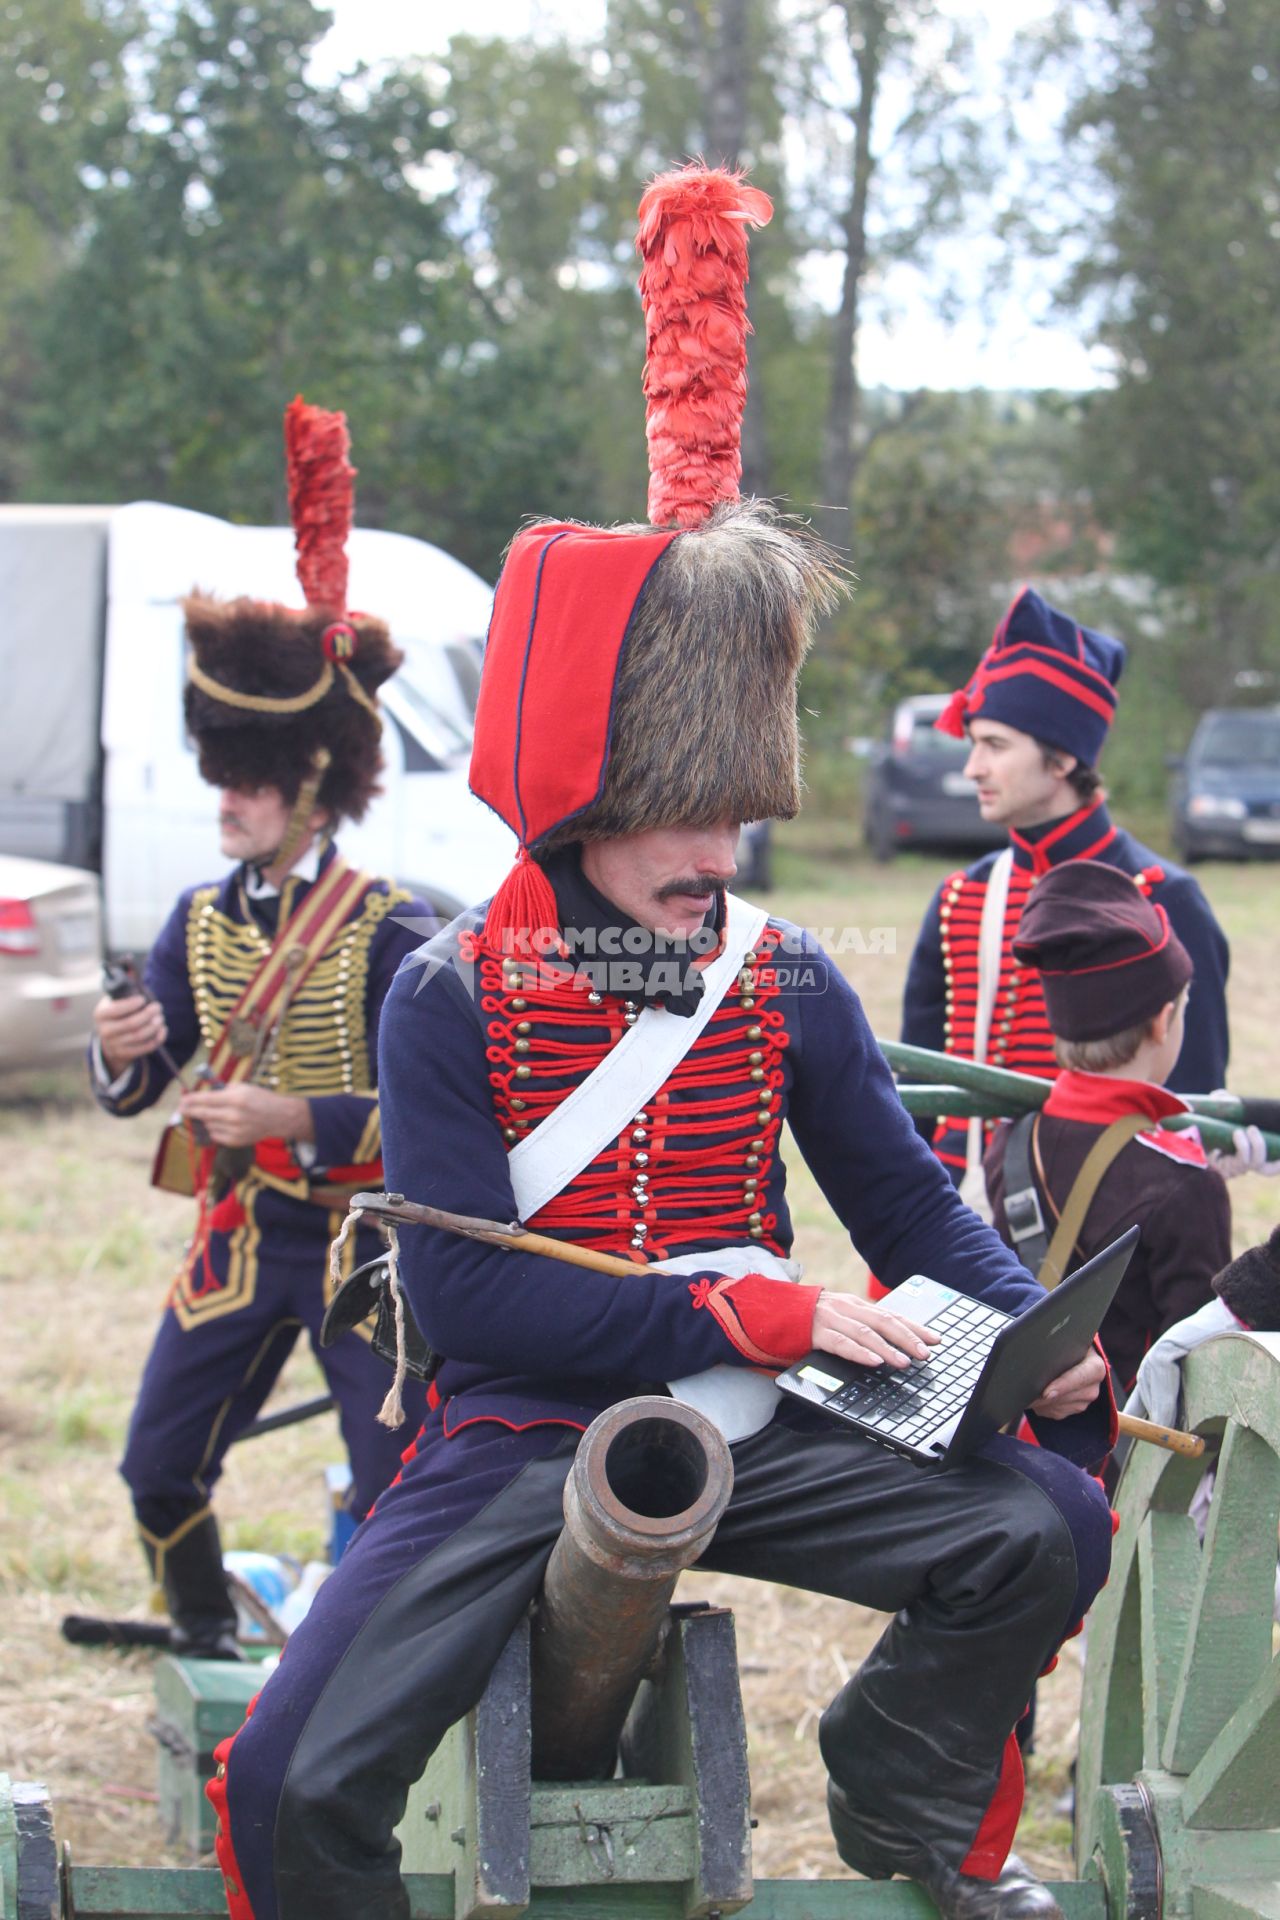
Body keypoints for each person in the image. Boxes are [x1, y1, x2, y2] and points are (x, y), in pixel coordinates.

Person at [210, 165, 1116, 1920]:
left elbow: (910, 1211)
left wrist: (1022, 1333)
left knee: (1043, 1529)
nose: (723, 857)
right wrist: (740, 1303)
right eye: (683, 823)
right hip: (523, 1436)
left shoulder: (780, 979)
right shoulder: (449, 993)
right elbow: (473, 1303)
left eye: (735, 816)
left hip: (751, 1415)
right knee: (288, 1780)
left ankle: (897, 1796)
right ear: (582, 810)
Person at [90, 398, 432, 1659]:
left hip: (365, 1249)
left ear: (313, 785)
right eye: (220, 773)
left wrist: (304, 1119)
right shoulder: (193, 918)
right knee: (154, 1467)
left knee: (398, 1486)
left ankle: (368, 1672)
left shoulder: (397, 930)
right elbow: (146, 1078)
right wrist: (122, 1052)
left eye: (248, 779)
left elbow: (454, 1117)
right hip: (239, 1236)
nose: (221, 799)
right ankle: (199, 1638)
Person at [901, 588, 1230, 1199]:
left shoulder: (1166, 898)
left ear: (1061, 759)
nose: (972, 767)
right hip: (953, 1218)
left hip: (1096, 1219)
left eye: (995, 745)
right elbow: (915, 1102)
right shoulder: (959, 897)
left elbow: (1191, 1104)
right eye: (972, 742)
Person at [982, 859, 1232, 1409]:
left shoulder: (1013, 1140)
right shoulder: (1186, 1184)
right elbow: (1208, 1376)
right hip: (1128, 1471)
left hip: (1027, 1440)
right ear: (1163, 1021)